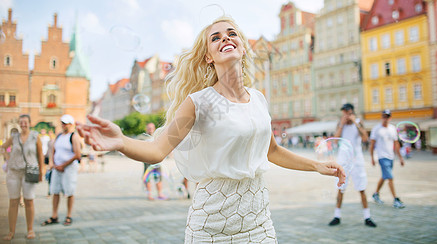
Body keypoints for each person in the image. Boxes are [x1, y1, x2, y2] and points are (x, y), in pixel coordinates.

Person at [76, 16, 345, 243]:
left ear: (242, 46)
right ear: (208, 56)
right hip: (212, 226)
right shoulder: (197, 103)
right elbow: (157, 150)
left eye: (232, 34)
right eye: (216, 38)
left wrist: (316, 166)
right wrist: (121, 141)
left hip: (260, 223)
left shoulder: (259, 98)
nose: (226, 39)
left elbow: (271, 150)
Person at [328, 103, 377, 227]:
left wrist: (355, 122)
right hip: (343, 160)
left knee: (361, 188)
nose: (345, 114)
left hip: (357, 160)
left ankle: (367, 217)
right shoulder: (340, 124)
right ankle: (336, 216)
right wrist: (341, 124)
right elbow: (335, 140)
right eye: (344, 112)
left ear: (352, 112)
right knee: (340, 188)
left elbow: (365, 138)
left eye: (347, 112)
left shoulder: (359, 122)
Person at [2, 114, 44, 240]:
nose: (23, 124)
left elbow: (40, 155)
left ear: (29, 123)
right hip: (14, 172)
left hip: (29, 172)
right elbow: (2, 147)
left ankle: (30, 230)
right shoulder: (14, 137)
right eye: (21, 122)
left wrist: (41, 171)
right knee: (13, 201)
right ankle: (11, 232)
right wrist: (8, 159)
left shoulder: (35, 137)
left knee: (29, 201)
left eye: (25, 122)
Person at [42, 114, 82, 227]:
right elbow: (53, 150)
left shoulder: (73, 136)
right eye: (62, 123)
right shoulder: (59, 136)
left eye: (65, 123)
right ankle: (54, 215)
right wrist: (52, 163)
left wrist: (63, 165)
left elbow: (77, 154)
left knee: (69, 192)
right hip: (57, 168)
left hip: (68, 168)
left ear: (70, 124)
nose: (63, 125)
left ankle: (69, 215)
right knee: (55, 191)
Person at [370, 109, 405, 209]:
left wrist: (400, 157)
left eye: (387, 116)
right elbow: (372, 144)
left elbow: (396, 144)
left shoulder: (392, 128)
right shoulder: (376, 129)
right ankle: (395, 199)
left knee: (385, 176)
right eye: (384, 116)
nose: (385, 119)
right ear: (381, 117)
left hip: (391, 157)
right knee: (390, 177)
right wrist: (372, 157)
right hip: (381, 156)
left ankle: (375, 194)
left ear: (390, 118)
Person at [142, 122, 167, 200]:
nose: (150, 130)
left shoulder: (157, 137)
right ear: (146, 129)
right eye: (149, 128)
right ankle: (149, 194)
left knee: (158, 177)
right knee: (147, 177)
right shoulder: (143, 137)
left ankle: (160, 193)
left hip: (156, 160)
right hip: (146, 160)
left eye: (151, 128)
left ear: (154, 128)